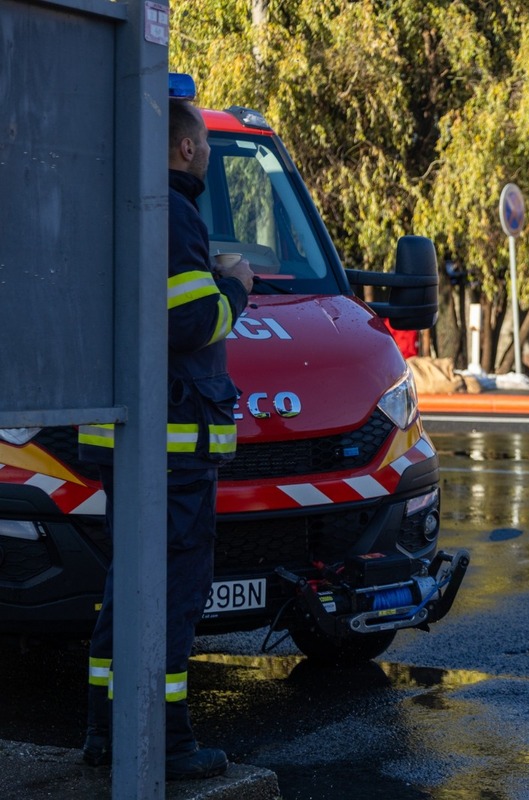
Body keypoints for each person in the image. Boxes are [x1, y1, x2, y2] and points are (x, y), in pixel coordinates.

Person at [77, 96, 253, 780]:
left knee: (127, 591)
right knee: (175, 595)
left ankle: (106, 730)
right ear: (184, 149)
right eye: (204, 144)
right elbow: (189, 320)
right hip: (173, 451)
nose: (206, 153)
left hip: (131, 446)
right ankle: (169, 744)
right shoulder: (174, 213)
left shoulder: (120, 211)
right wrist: (233, 286)